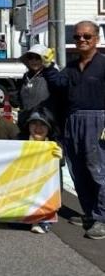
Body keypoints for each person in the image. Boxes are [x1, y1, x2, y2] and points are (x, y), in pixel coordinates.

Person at [46, 20, 105, 239]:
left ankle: (101, 218)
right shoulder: (70, 67)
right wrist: (47, 66)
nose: (81, 40)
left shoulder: (103, 64)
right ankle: (89, 213)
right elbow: (57, 85)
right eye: (77, 36)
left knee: (98, 171)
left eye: (86, 36)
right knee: (77, 170)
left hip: (98, 121)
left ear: (96, 39)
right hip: (72, 121)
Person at [22, 110, 61, 234]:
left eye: (43, 124)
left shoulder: (54, 145)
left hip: (43, 188)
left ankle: (44, 221)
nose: (38, 128)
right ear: (28, 126)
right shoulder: (18, 142)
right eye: (34, 124)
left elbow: (57, 178)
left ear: (49, 128)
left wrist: (60, 158)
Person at [16, 44, 60, 133]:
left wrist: (49, 67)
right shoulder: (26, 76)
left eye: (37, 57)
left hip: (46, 122)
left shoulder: (51, 75)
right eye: (30, 57)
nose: (34, 60)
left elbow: (58, 87)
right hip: (26, 121)